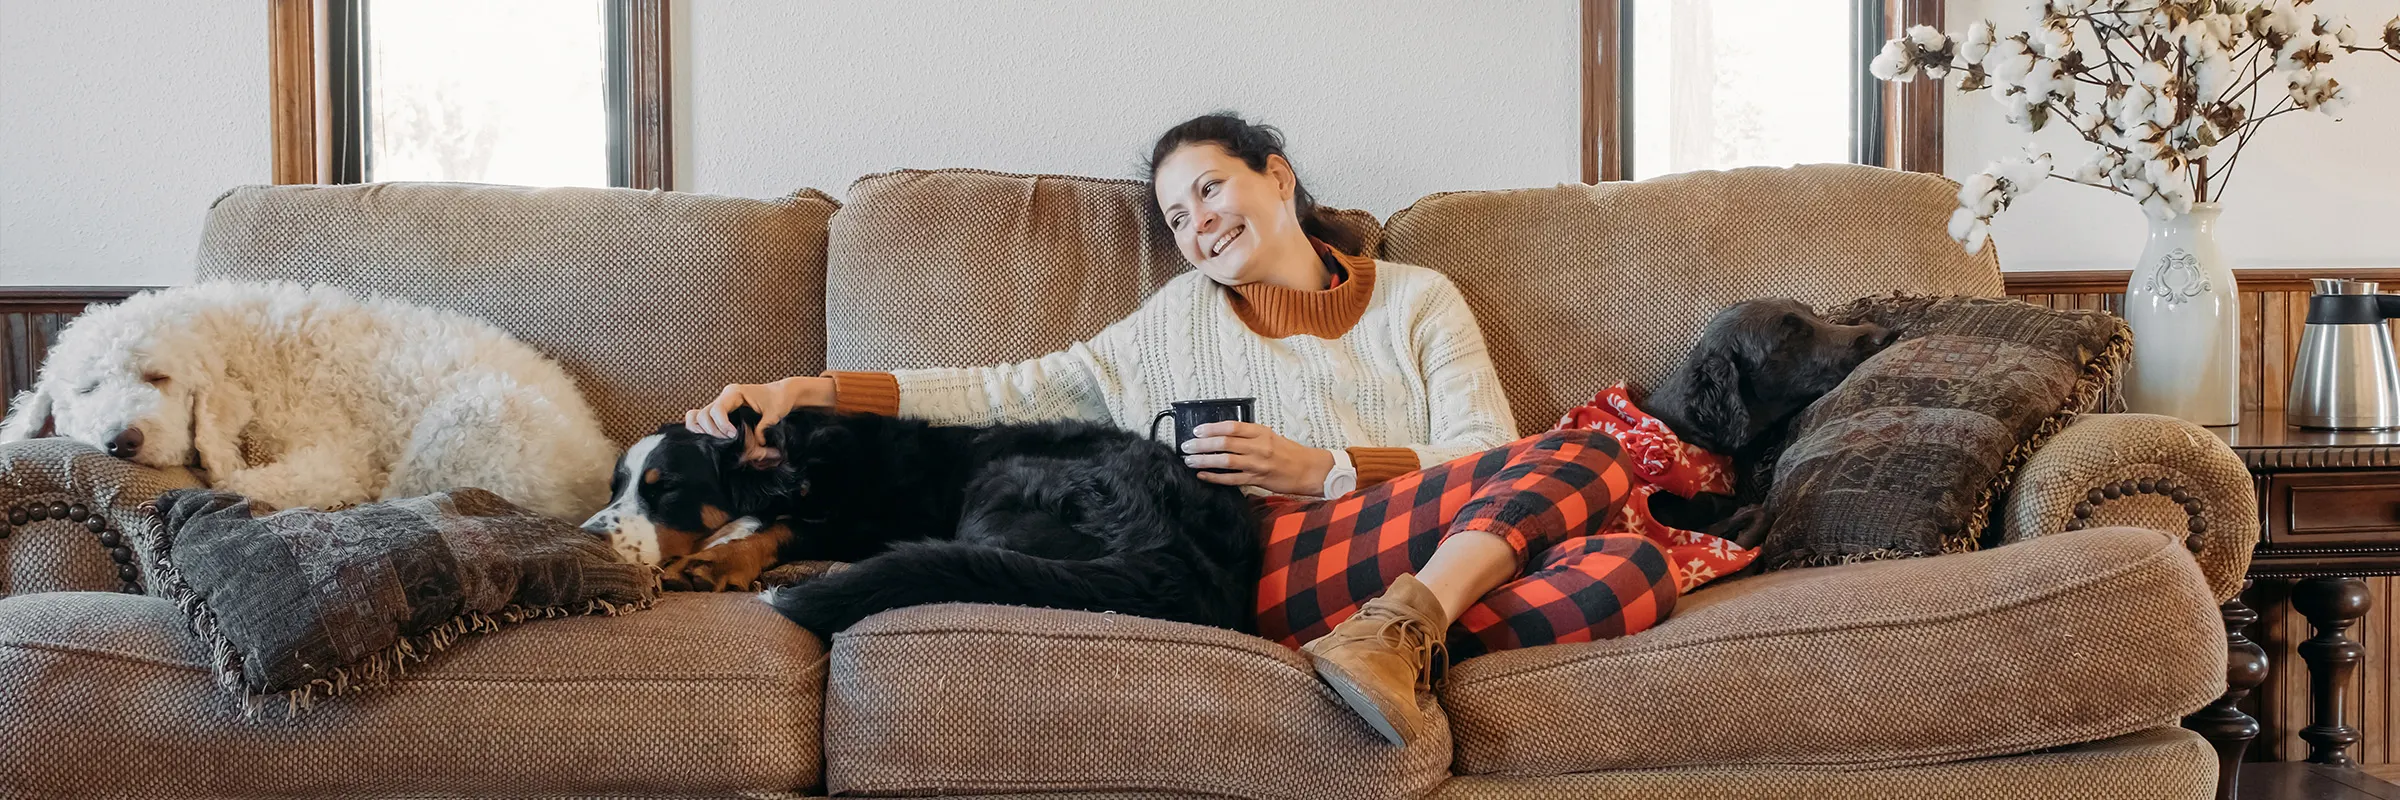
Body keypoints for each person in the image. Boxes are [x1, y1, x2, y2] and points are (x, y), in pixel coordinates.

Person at [685, 113, 1675, 746]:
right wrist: (810, 385)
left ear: (1277, 176)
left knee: (1632, 564)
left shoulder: (1418, 300)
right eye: (1175, 215)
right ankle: (1399, 632)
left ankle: (1392, 636)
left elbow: (1489, 454)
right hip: (1269, 561)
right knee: (1592, 457)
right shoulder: (1172, 320)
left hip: (1420, 536)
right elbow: (1002, 391)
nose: (1197, 224)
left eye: (1210, 187)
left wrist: (1328, 465)